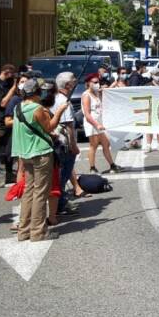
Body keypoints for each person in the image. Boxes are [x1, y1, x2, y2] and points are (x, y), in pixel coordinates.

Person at [11, 78, 69, 242]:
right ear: (37, 92)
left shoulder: (18, 108)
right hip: (40, 153)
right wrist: (60, 111)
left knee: (29, 191)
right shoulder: (38, 109)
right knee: (40, 193)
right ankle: (38, 232)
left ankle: (24, 230)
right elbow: (49, 127)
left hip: (26, 154)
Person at [53, 72, 84, 215]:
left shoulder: (56, 98)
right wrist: (73, 146)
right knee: (63, 176)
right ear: (67, 85)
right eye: (73, 80)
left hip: (57, 142)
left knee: (60, 176)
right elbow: (69, 125)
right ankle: (60, 204)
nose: (75, 82)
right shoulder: (63, 101)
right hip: (64, 144)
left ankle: (59, 203)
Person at [82, 74, 121, 174]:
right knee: (93, 145)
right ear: (88, 84)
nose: (97, 84)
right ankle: (92, 168)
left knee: (106, 144)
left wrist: (114, 84)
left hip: (100, 122)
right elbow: (87, 114)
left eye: (98, 82)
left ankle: (112, 165)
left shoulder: (96, 93)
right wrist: (96, 124)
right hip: (92, 123)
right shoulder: (86, 95)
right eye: (94, 82)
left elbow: (106, 90)